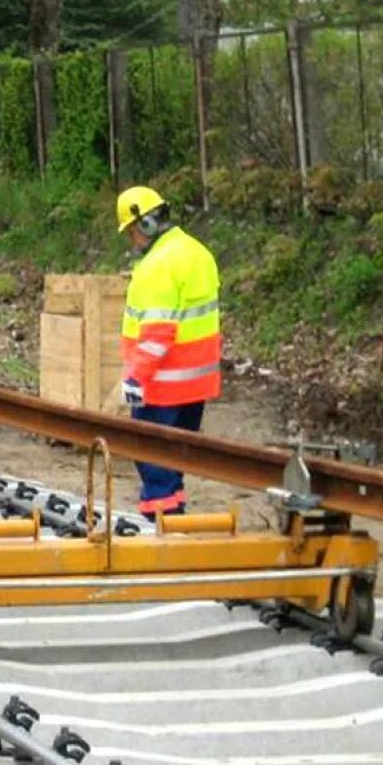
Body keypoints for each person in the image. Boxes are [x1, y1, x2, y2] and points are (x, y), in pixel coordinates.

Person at [116, 185, 222, 520]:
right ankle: (174, 518)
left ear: (144, 225)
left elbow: (157, 334)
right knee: (175, 459)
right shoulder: (199, 253)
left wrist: (135, 378)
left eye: (131, 232)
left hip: (162, 386)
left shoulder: (157, 266)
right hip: (196, 383)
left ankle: (159, 532)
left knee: (153, 462)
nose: (132, 240)